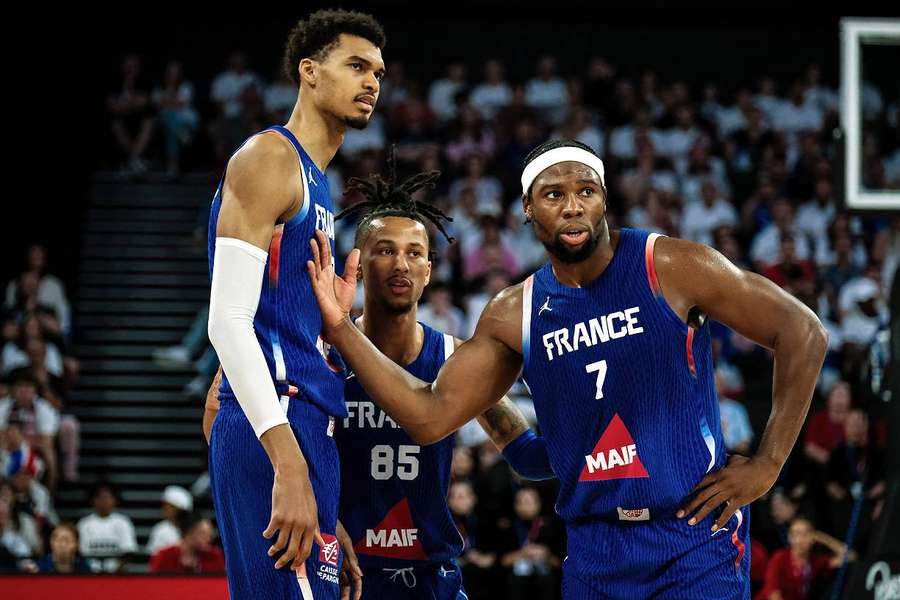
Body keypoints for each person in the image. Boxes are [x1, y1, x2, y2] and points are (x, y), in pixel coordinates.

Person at [307, 138, 828, 598]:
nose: (573, 206)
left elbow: (802, 331)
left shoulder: (670, 265)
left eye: (586, 192)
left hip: (691, 541)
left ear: (604, 201)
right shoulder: (515, 313)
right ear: (529, 210)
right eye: (554, 195)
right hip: (593, 549)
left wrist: (769, 462)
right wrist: (341, 327)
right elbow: (430, 416)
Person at [205, 10, 385, 600]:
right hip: (280, 425)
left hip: (303, 426)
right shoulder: (269, 158)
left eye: (379, 73)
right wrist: (288, 464)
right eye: (356, 66)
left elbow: (262, 328)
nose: (372, 83)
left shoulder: (317, 183)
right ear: (309, 72)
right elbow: (226, 321)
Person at [329, 164, 554, 598]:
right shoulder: (326, 355)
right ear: (356, 266)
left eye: (415, 253)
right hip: (344, 574)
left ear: (429, 271)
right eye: (385, 250)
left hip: (432, 576)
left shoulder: (456, 357)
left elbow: (528, 456)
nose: (402, 264)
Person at [755, 517, 850, 600]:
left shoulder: (814, 560)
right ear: (789, 538)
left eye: (805, 534)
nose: (799, 539)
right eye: (795, 534)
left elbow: (850, 557)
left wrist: (822, 537)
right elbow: (773, 594)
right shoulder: (780, 557)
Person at [76, 483, 137, 573]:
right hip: (89, 574)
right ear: (93, 500)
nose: (104, 501)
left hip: (117, 574)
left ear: (114, 500)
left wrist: (116, 570)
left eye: (107, 497)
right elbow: (79, 553)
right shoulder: (84, 524)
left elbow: (129, 551)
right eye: (100, 497)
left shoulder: (123, 522)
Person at [148, 516, 226, 574]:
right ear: (188, 533)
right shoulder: (164, 556)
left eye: (210, 535)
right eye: (203, 534)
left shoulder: (214, 556)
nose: (208, 539)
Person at [146, 485, 193, 555]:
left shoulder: (194, 530)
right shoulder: (160, 529)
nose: (163, 508)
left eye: (167, 506)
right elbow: (154, 557)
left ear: (178, 509)